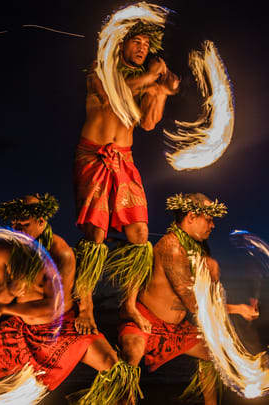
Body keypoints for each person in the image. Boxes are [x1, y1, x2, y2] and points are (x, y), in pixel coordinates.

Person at [0, 193, 140, 402]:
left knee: (116, 371)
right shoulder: (4, 251)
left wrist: (6, 309)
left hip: (62, 329)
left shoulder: (60, 253)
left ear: (41, 222)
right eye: (14, 224)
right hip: (22, 329)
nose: (17, 230)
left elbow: (53, 308)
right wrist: (10, 291)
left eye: (24, 224)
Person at [73, 21, 180, 335]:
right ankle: (86, 306)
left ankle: (128, 303)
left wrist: (161, 91)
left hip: (125, 160)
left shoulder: (143, 82)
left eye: (147, 44)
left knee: (140, 235)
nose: (142, 48)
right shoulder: (101, 69)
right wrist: (152, 77)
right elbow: (114, 94)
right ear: (120, 43)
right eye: (137, 42)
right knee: (96, 234)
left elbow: (147, 123)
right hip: (93, 156)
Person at [118, 193, 260, 404]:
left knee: (211, 352)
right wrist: (239, 309)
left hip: (175, 330)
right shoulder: (172, 247)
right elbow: (194, 304)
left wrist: (212, 272)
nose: (212, 226)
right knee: (133, 350)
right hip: (145, 323)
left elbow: (208, 296)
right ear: (191, 217)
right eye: (209, 219)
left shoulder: (197, 252)